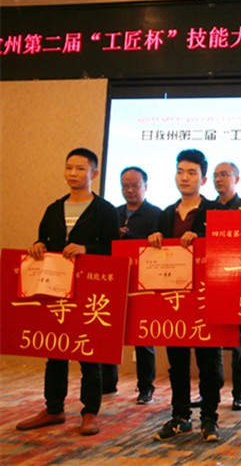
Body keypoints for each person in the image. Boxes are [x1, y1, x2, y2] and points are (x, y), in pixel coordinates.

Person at [16, 147, 120, 436]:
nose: (73, 173)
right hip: (56, 289)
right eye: (69, 168)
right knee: (55, 350)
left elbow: (114, 249)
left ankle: (90, 412)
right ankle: (54, 409)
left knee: (89, 353)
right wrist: (37, 246)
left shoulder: (105, 210)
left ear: (94, 174)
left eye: (80, 169)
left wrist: (88, 249)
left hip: (90, 290)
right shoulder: (54, 208)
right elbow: (43, 241)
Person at [148, 149, 224, 443]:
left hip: (207, 297)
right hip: (175, 298)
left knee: (209, 362)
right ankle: (180, 416)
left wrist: (203, 240)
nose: (184, 177)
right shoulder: (165, 213)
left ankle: (209, 418)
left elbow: (226, 248)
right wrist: (155, 239)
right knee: (177, 361)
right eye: (180, 171)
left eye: (192, 173)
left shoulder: (216, 211)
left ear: (203, 179)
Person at [117, 166, 163, 405]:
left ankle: (146, 387)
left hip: (144, 281)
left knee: (143, 337)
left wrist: (128, 237)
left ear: (146, 186)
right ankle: (107, 381)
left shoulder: (156, 214)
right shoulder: (113, 213)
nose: (130, 190)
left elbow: (159, 246)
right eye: (125, 186)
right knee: (108, 332)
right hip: (116, 279)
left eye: (135, 185)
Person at [213, 161, 241, 412]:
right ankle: (211, 392)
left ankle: (240, 393)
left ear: (236, 178)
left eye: (225, 174)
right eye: (215, 175)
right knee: (212, 343)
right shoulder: (207, 208)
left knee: (239, 343)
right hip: (213, 281)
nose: (219, 179)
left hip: (239, 282)